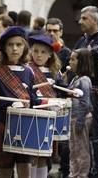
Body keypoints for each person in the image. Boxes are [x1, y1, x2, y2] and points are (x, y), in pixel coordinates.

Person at [0, 26, 39, 178]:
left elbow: (33, 99)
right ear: (4, 48)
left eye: (19, 45)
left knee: (24, 166)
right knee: (5, 169)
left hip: (24, 124)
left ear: (24, 47)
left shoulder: (28, 72)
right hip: (2, 123)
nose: (14, 48)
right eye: (10, 45)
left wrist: (46, 103)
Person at [74, 6, 98, 178]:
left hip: (95, 92)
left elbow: (83, 56)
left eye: (84, 18)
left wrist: (77, 56)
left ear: (95, 21)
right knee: (80, 134)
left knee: (97, 132)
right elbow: (73, 56)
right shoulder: (83, 40)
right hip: (80, 91)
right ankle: (84, 170)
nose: (80, 21)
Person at [28, 34, 62, 178]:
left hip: (48, 117)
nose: (39, 55)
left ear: (50, 55)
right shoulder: (27, 70)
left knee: (43, 155)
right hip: (31, 117)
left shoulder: (56, 73)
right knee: (31, 155)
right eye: (35, 51)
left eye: (43, 52)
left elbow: (61, 92)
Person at [67, 48, 94, 178]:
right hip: (73, 117)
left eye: (73, 59)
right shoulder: (76, 78)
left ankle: (82, 174)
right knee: (73, 148)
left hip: (80, 117)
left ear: (81, 62)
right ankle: (74, 173)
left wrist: (80, 121)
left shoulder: (84, 80)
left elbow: (85, 102)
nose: (70, 62)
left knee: (82, 148)